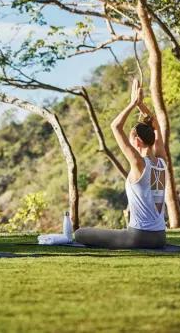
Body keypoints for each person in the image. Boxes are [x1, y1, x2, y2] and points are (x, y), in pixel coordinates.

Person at [75, 79, 167, 249]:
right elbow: (156, 126)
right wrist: (141, 105)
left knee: (79, 234)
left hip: (139, 237)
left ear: (138, 142)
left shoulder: (139, 163)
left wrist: (133, 103)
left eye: (131, 138)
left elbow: (115, 126)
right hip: (160, 237)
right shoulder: (162, 162)